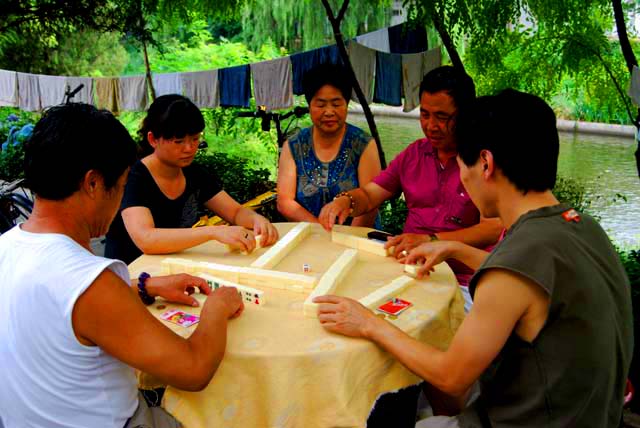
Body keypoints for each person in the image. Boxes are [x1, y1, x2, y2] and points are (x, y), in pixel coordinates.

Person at [314, 89, 633, 427]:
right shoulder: (580, 226)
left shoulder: (517, 264)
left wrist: (367, 322)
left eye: (463, 165)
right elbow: (532, 287)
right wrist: (456, 249)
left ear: (485, 163)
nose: (462, 177)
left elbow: (451, 377)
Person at [0, 103, 244, 427]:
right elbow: (194, 369)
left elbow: (57, 304)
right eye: (122, 184)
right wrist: (216, 307)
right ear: (93, 184)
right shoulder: (90, 282)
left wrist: (146, 285)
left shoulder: (7, 246)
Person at [318, 66, 502, 311]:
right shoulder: (414, 154)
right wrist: (345, 201)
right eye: (424, 114)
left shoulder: (481, 161)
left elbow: (493, 228)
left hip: (465, 282)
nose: (431, 125)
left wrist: (432, 241)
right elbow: (371, 194)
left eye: (442, 117)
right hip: (407, 268)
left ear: (465, 114)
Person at [105, 94, 278, 265]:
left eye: (195, 139)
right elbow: (146, 238)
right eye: (178, 141)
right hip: (130, 275)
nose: (189, 148)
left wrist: (257, 221)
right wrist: (213, 232)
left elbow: (235, 212)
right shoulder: (134, 179)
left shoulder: (194, 173)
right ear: (153, 139)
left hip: (172, 268)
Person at [277, 63, 382, 227]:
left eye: (336, 104)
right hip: (309, 236)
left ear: (346, 105)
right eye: (320, 104)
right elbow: (285, 202)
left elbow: (372, 202)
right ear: (310, 106)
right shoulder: (293, 146)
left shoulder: (363, 145)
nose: (329, 112)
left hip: (357, 239)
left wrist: (345, 239)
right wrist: (320, 232)